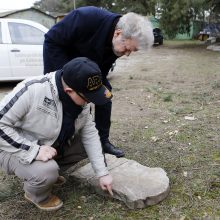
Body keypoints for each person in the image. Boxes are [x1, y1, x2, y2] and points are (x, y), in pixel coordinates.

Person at [0, 57, 113, 211]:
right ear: (69, 91)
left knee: (86, 146)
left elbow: (90, 134)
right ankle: (36, 193)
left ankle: (47, 172)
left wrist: (102, 173)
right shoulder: (32, 89)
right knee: (46, 172)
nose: (89, 102)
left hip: (47, 144)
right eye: (88, 98)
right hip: (11, 147)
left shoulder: (80, 99)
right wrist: (33, 150)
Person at [43, 6, 154, 158]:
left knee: (105, 95)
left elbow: (103, 67)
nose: (127, 54)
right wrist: (64, 76)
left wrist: (95, 89)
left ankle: (103, 141)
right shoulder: (86, 18)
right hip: (62, 60)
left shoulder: (117, 42)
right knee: (67, 101)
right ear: (118, 33)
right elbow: (51, 39)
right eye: (128, 49)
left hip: (86, 66)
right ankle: (57, 145)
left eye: (131, 51)